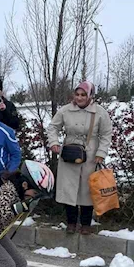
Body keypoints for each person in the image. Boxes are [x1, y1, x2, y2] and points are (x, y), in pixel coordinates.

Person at [46, 81, 113, 235]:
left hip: (90, 155)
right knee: (69, 190)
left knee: (87, 190)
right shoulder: (65, 110)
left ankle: (85, 223)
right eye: (77, 94)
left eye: (83, 95)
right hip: (69, 153)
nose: (80, 98)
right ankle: (71, 222)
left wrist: (101, 153)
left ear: (90, 95)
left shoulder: (100, 112)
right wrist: (54, 142)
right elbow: (53, 127)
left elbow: (106, 134)